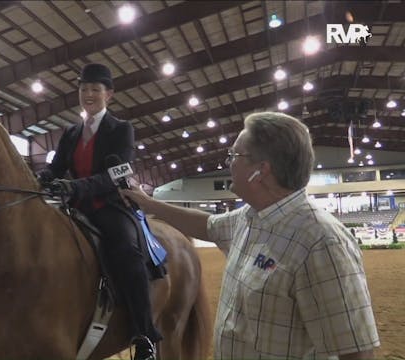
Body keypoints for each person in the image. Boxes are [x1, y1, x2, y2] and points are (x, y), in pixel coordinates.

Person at [121, 112, 380, 360]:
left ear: (261, 170)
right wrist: (148, 204)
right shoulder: (251, 217)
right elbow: (208, 225)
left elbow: (356, 350)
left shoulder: (321, 241)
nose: (229, 162)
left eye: (235, 155)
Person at [36, 63, 160, 360]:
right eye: (83, 89)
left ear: (109, 95)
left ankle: (145, 335)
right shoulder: (70, 133)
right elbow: (55, 168)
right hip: (74, 207)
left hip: (108, 206)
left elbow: (116, 173)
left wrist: (75, 187)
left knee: (128, 253)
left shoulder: (122, 130)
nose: (88, 94)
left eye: (94, 89)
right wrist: (41, 178)